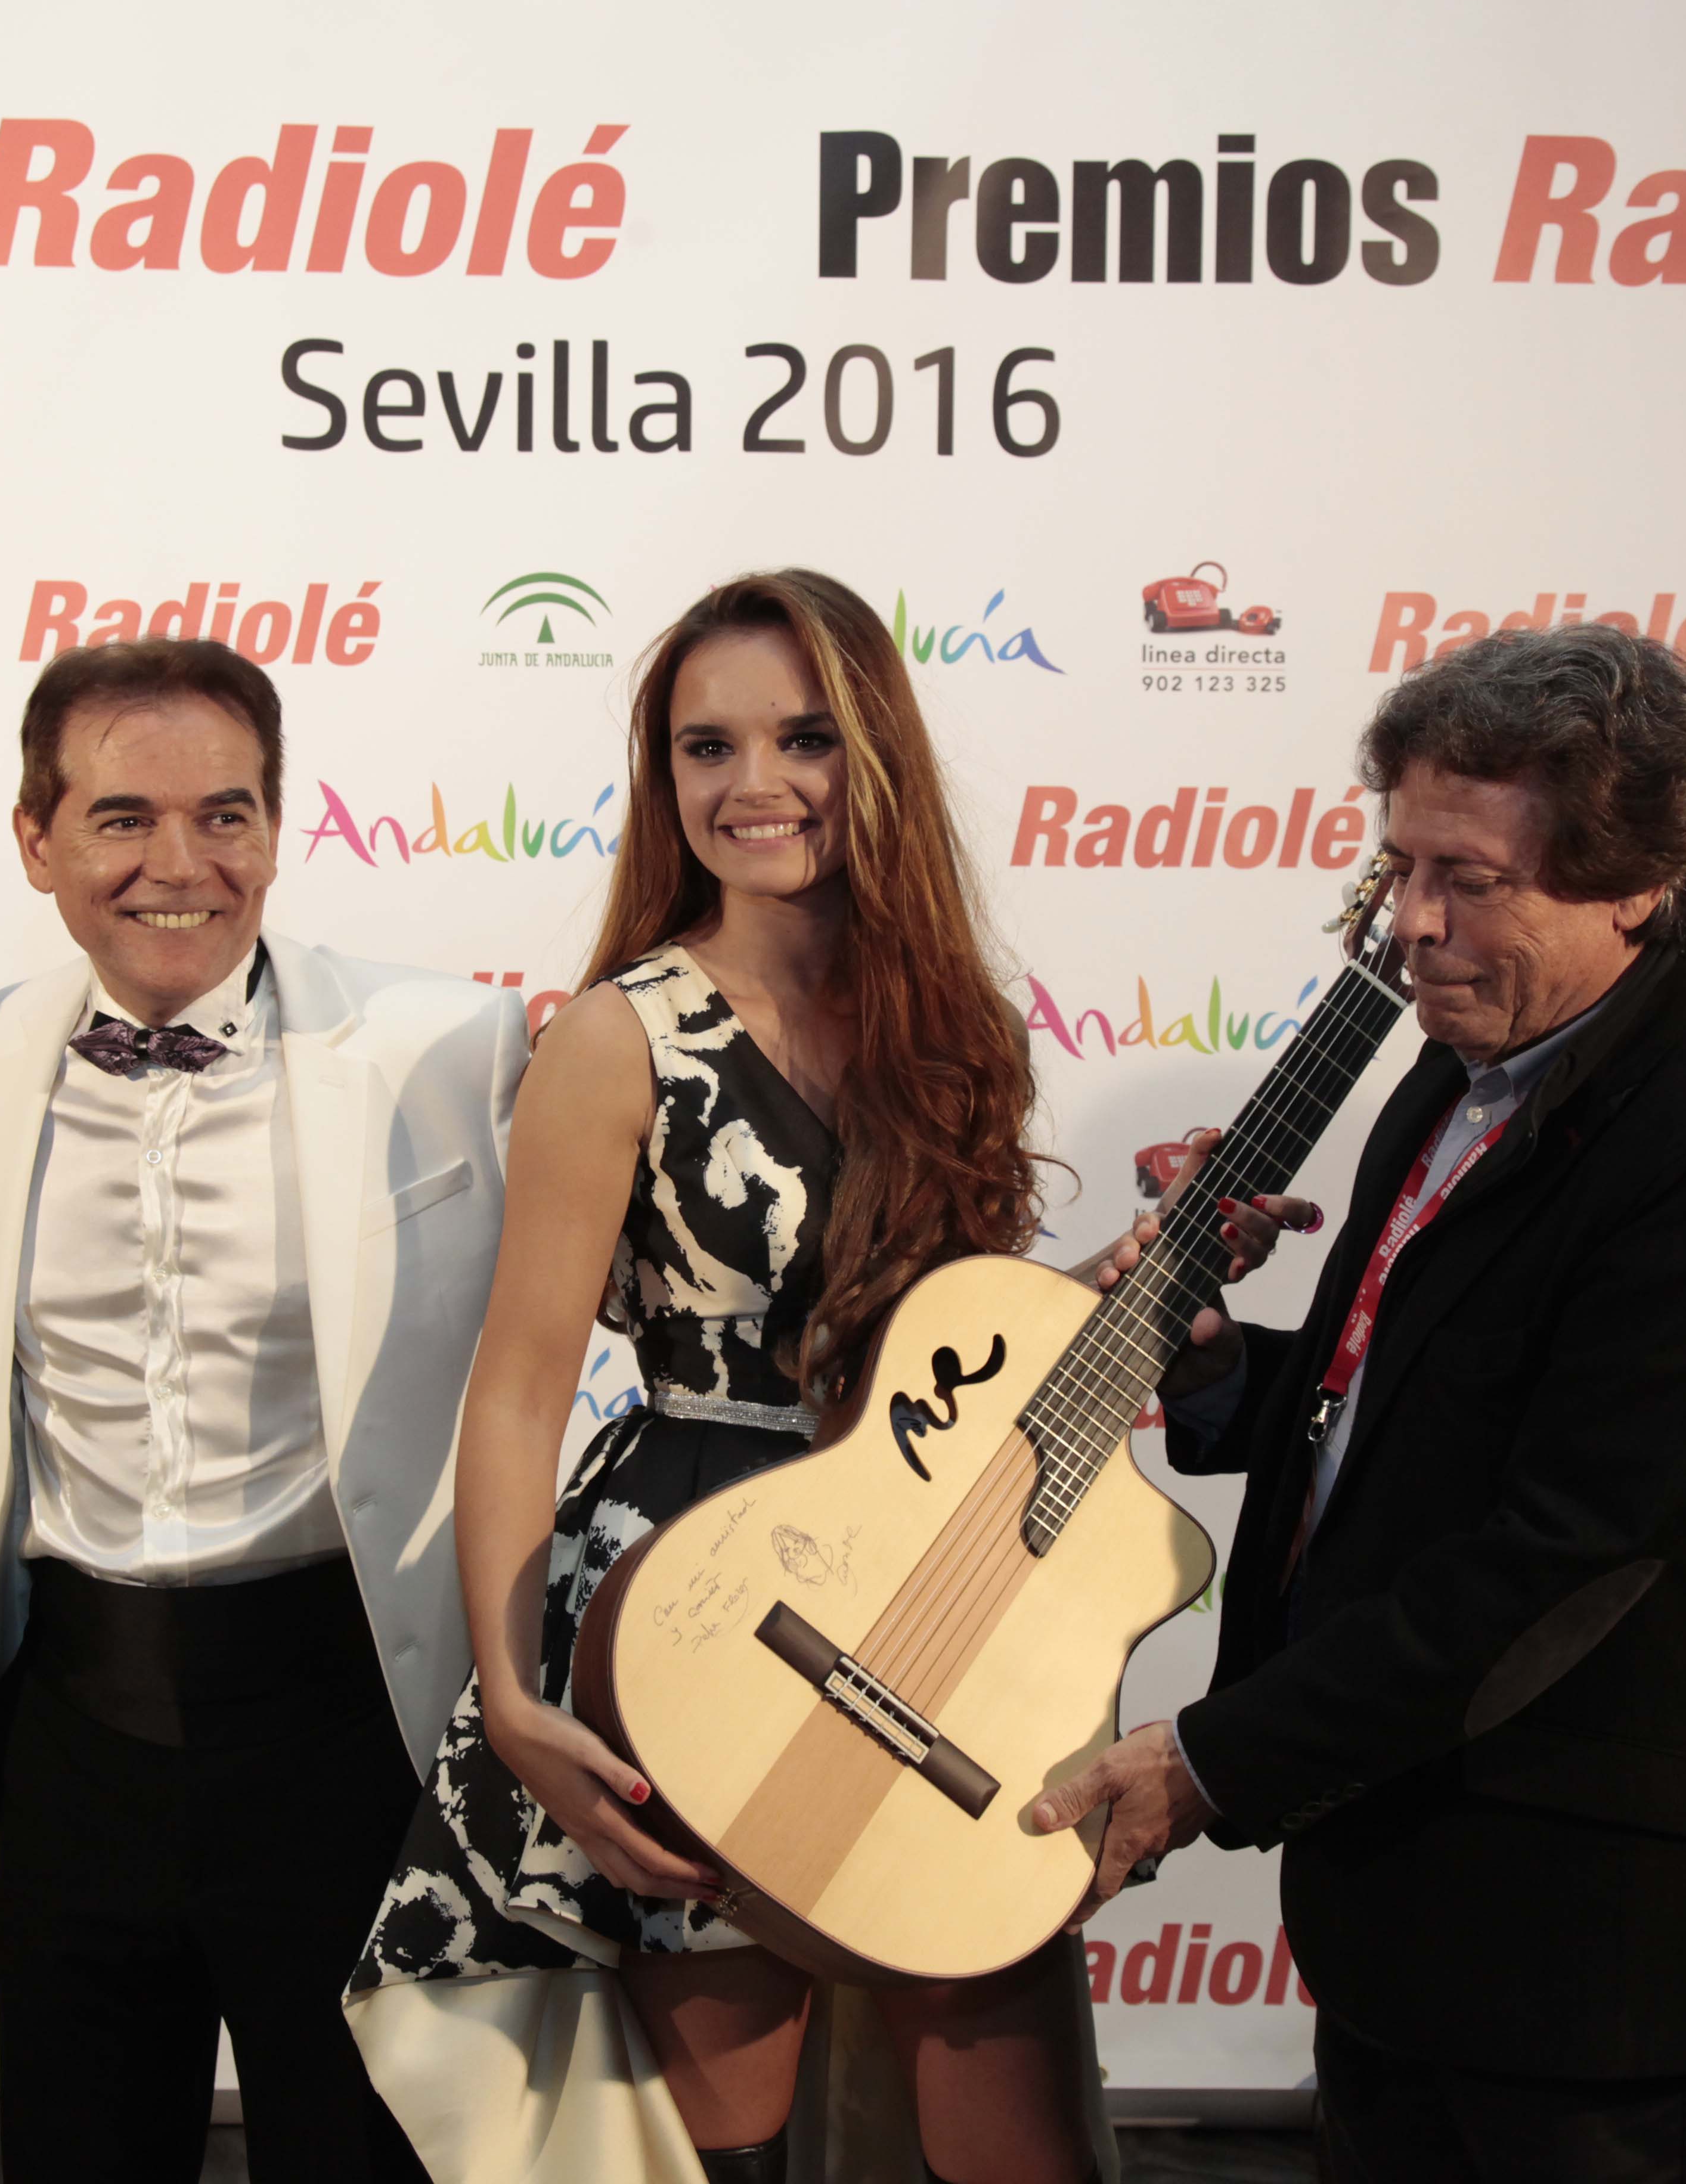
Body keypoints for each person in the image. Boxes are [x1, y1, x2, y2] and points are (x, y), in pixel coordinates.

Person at [346, 570, 1303, 2184]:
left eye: (803, 739)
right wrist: (513, 1699)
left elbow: (955, 1349)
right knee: (732, 2148)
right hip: (695, 1606)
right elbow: (516, 1393)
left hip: (934, 1585)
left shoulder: (954, 1027)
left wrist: (1147, 1268)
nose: (755, 785)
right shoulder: (618, 1037)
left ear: (876, 757)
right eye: (706, 747)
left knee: (1018, 2133)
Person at [1032, 623, 1686, 2182]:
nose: (1411, 924)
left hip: (1585, 1993)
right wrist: (1222, 1373)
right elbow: (1401, 1412)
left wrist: (1204, 1762)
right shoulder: (1460, 1065)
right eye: (1401, 867)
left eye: (1469, 879)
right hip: (1397, 1932)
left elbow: (1547, 1567)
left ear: (1638, 882)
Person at [0, 637, 523, 2184]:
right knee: (79, 2155)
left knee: (359, 2159)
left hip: (346, 1722)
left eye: (225, 815)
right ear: (36, 839)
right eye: (123, 818)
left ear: (277, 825)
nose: (180, 864)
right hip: (74, 1729)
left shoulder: (449, 1047)